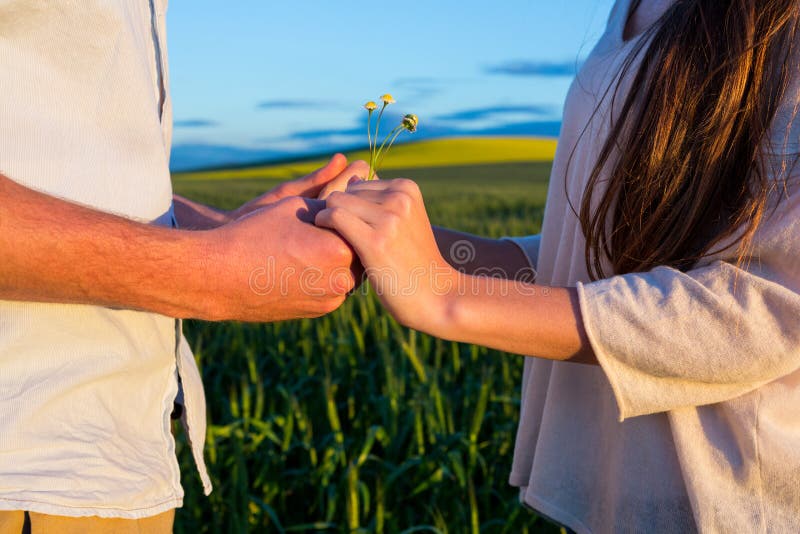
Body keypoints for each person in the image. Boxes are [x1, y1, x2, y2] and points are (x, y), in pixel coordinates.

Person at [316, 0, 800, 532]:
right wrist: (425, 251)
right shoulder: (630, 7)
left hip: (727, 502)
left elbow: (776, 304)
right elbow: (595, 257)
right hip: (611, 499)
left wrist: (447, 295)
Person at [0, 1, 364, 533]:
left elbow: (70, 169)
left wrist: (220, 230)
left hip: (120, 464)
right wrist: (205, 271)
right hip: (26, 463)